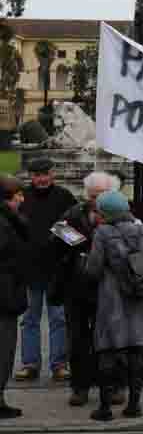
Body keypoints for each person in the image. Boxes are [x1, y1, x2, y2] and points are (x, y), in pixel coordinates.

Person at [49, 172, 125, 407]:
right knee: (78, 338)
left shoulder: (119, 214)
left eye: (100, 195)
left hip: (109, 286)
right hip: (78, 286)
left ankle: (112, 386)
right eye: (92, 195)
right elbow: (56, 234)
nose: (96, 200)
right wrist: (82, 243)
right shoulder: (75, 213)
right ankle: (80, 387)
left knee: (112, 338)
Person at [85, 190, 143, 421]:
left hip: (113, 298)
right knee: (136, 351)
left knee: (107, 350)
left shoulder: (103, 233)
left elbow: (93, 270)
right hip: (140, 297)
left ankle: (105, 407)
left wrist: (83, 263)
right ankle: (134, 405)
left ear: (106, 212)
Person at [15, 157, 77, 382]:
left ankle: (59, 364)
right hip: (29, 268)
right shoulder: (22, 197)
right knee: (29, 318)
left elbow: (74, 228)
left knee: (58, 318)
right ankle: (30, 364)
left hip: (56, 268)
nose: (41, 179)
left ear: (53, 174)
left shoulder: (64, 197)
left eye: (45, 174)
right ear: (30, 176)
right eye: (36, 175)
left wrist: (59, 238)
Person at [0, 176, 29, 418]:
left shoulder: (10, 221)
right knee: (4, 349)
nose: (22, 198)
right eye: (18, 195)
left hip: (8, 292)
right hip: (4, 295)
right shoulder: (4, 223)